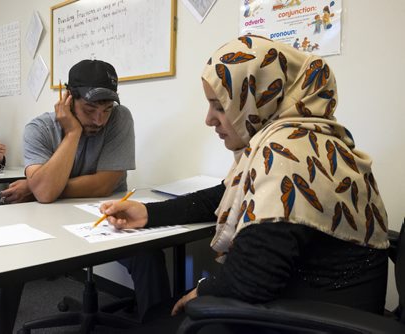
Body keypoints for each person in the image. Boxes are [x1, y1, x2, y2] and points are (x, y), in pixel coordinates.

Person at [100, 35, 389, 332]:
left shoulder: (284, 153)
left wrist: (203, 290)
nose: (209, 119)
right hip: (324, 307)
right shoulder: (311, 139)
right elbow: (224, 195)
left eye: (220, 106)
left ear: (258, 100)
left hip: (309, 319)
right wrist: (150, 214)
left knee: (158, 322)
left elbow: (250, 279)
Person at [0, 59, 170, 334]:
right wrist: (73, 133)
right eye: (90, 109)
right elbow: (46, 193)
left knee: (149, 254)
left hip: (104, 215)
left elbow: (105, 183)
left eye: (106, 109)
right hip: (45, 220)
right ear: (67, 98)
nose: (99, 120)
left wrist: (35, 186)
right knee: (5, 262)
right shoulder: (39, 129)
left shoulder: (120, 117)